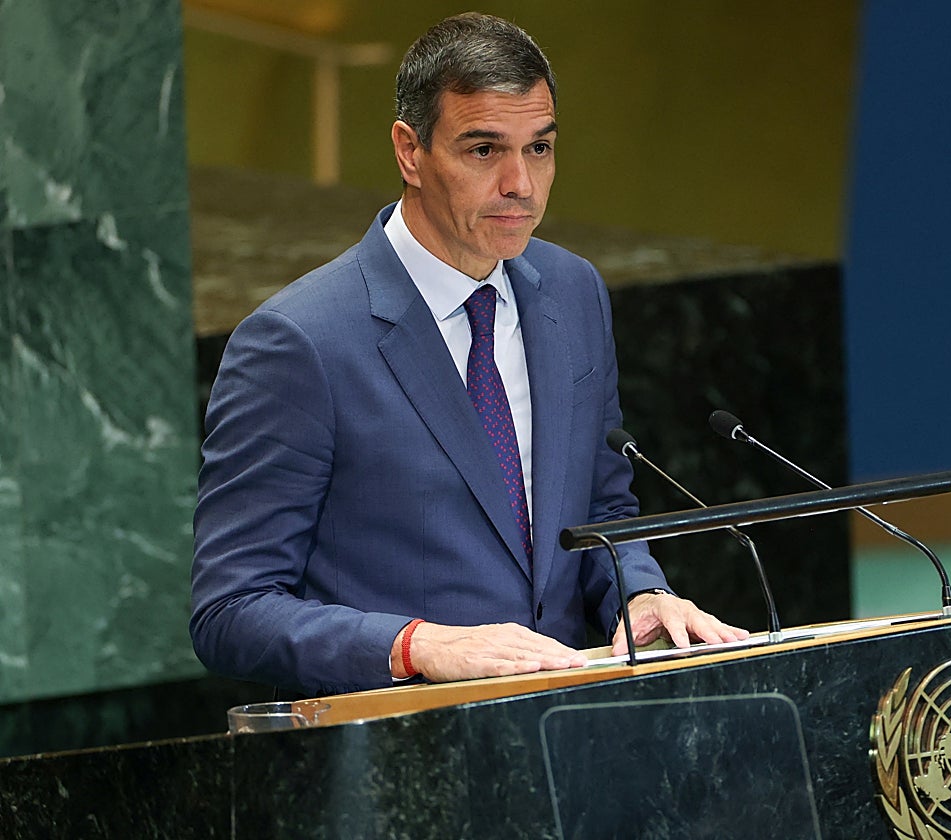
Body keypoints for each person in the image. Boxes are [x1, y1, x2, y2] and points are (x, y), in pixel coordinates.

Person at [190, 12, 746, 698]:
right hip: (403, 759)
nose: (521, 183)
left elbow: (602, 512)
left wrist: (639, 595)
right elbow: (230, 611)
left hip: (568, 735)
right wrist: (416, 644)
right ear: (408, 151)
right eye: (484, 150)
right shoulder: (299, 343)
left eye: (539, 149)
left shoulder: (573, 294)